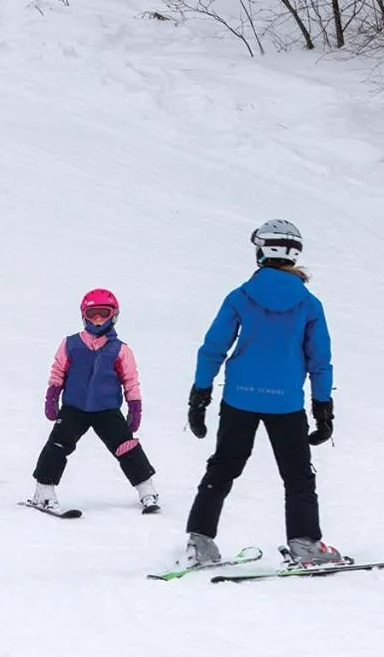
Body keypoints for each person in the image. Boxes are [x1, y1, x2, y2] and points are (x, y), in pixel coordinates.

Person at [183, 219, 343, 567]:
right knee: (298, 475)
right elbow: (320, 361)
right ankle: (305, 544)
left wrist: (201, 394)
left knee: (222, 468)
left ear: (262, 252)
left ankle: (200, 541)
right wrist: (322, 408)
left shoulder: (240, 297)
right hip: (285, 403)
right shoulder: (309, 304)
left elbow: (213, 348)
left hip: (239, 397)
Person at [27, 288, 160, 513]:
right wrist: (52, 396)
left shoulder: (120, 350)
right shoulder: (70, 344)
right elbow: (58, 371)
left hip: (106, 409)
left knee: (127, 447)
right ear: (83, 315)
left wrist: (134, 407)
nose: (97, 320)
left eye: (103, 314)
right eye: (92, 314)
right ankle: (44, 491)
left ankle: (147, 490)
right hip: (74, 408)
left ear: (114, 316)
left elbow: (130, 380)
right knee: (57, 445)